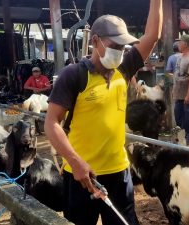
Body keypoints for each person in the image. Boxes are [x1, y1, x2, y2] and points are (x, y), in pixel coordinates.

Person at [44, 0, 162, 224]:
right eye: (114, 45)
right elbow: (51, 123)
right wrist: (74, 161)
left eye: (122, 47)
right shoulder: (74, 75)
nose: (119, 51)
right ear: (95, 41)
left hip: (119, 174)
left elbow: (152, 35)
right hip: (81, 176)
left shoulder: (124, 70)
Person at [172, 34, 189, 145]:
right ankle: (182, 136)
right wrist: (174, 89)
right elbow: (176, 74)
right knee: (178, 115)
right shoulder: (180, 57)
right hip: (179, 93)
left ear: (186, 44)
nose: (178, 44)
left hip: (188, 94)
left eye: (180, 42)